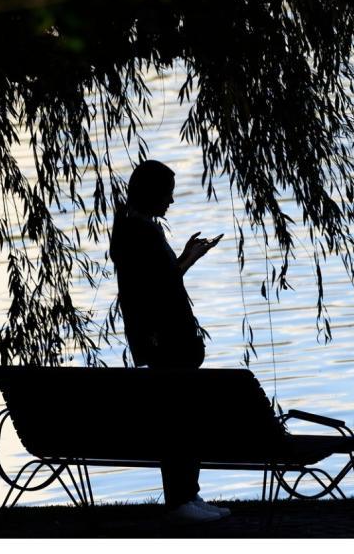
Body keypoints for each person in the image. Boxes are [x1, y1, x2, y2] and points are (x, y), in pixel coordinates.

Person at [109, 159, 229, 524]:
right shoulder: (142, 233)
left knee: (177, 417)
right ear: (153, 193)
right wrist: (188, 259)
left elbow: (156, 282)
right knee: (180, 419)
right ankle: (181, 500)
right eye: (168, 193)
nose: (172, 202)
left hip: (158, 338)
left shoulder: (130, 230)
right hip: (167, 340)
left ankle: (187, 496)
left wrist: (186, 259)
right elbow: (160, 289)